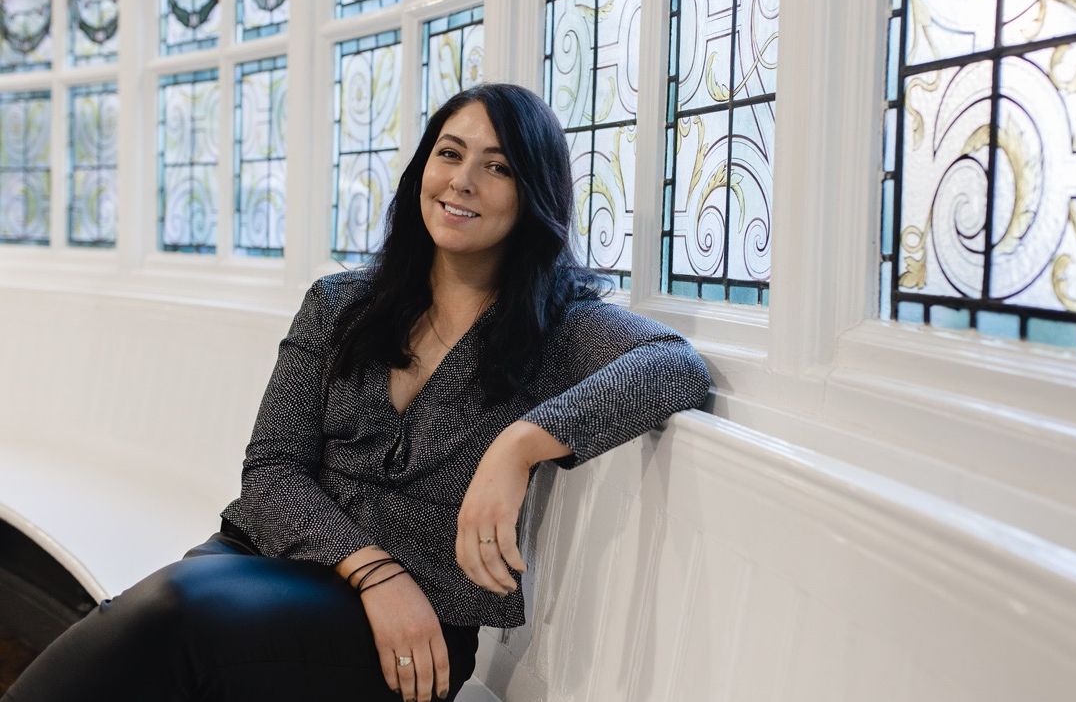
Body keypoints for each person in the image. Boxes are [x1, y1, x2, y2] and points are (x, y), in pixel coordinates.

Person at [4, 83, 712, 702]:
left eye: (497, 167)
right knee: (154, 631)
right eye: (449, 153)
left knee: (169, 617)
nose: (463, 180)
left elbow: (675, 364)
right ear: (422, 171)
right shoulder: (340, 301)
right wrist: (376, 571)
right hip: (261, 562)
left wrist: (519, 444)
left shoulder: (558, 327)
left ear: (533, 198)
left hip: (406, 642)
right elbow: (271, 469)